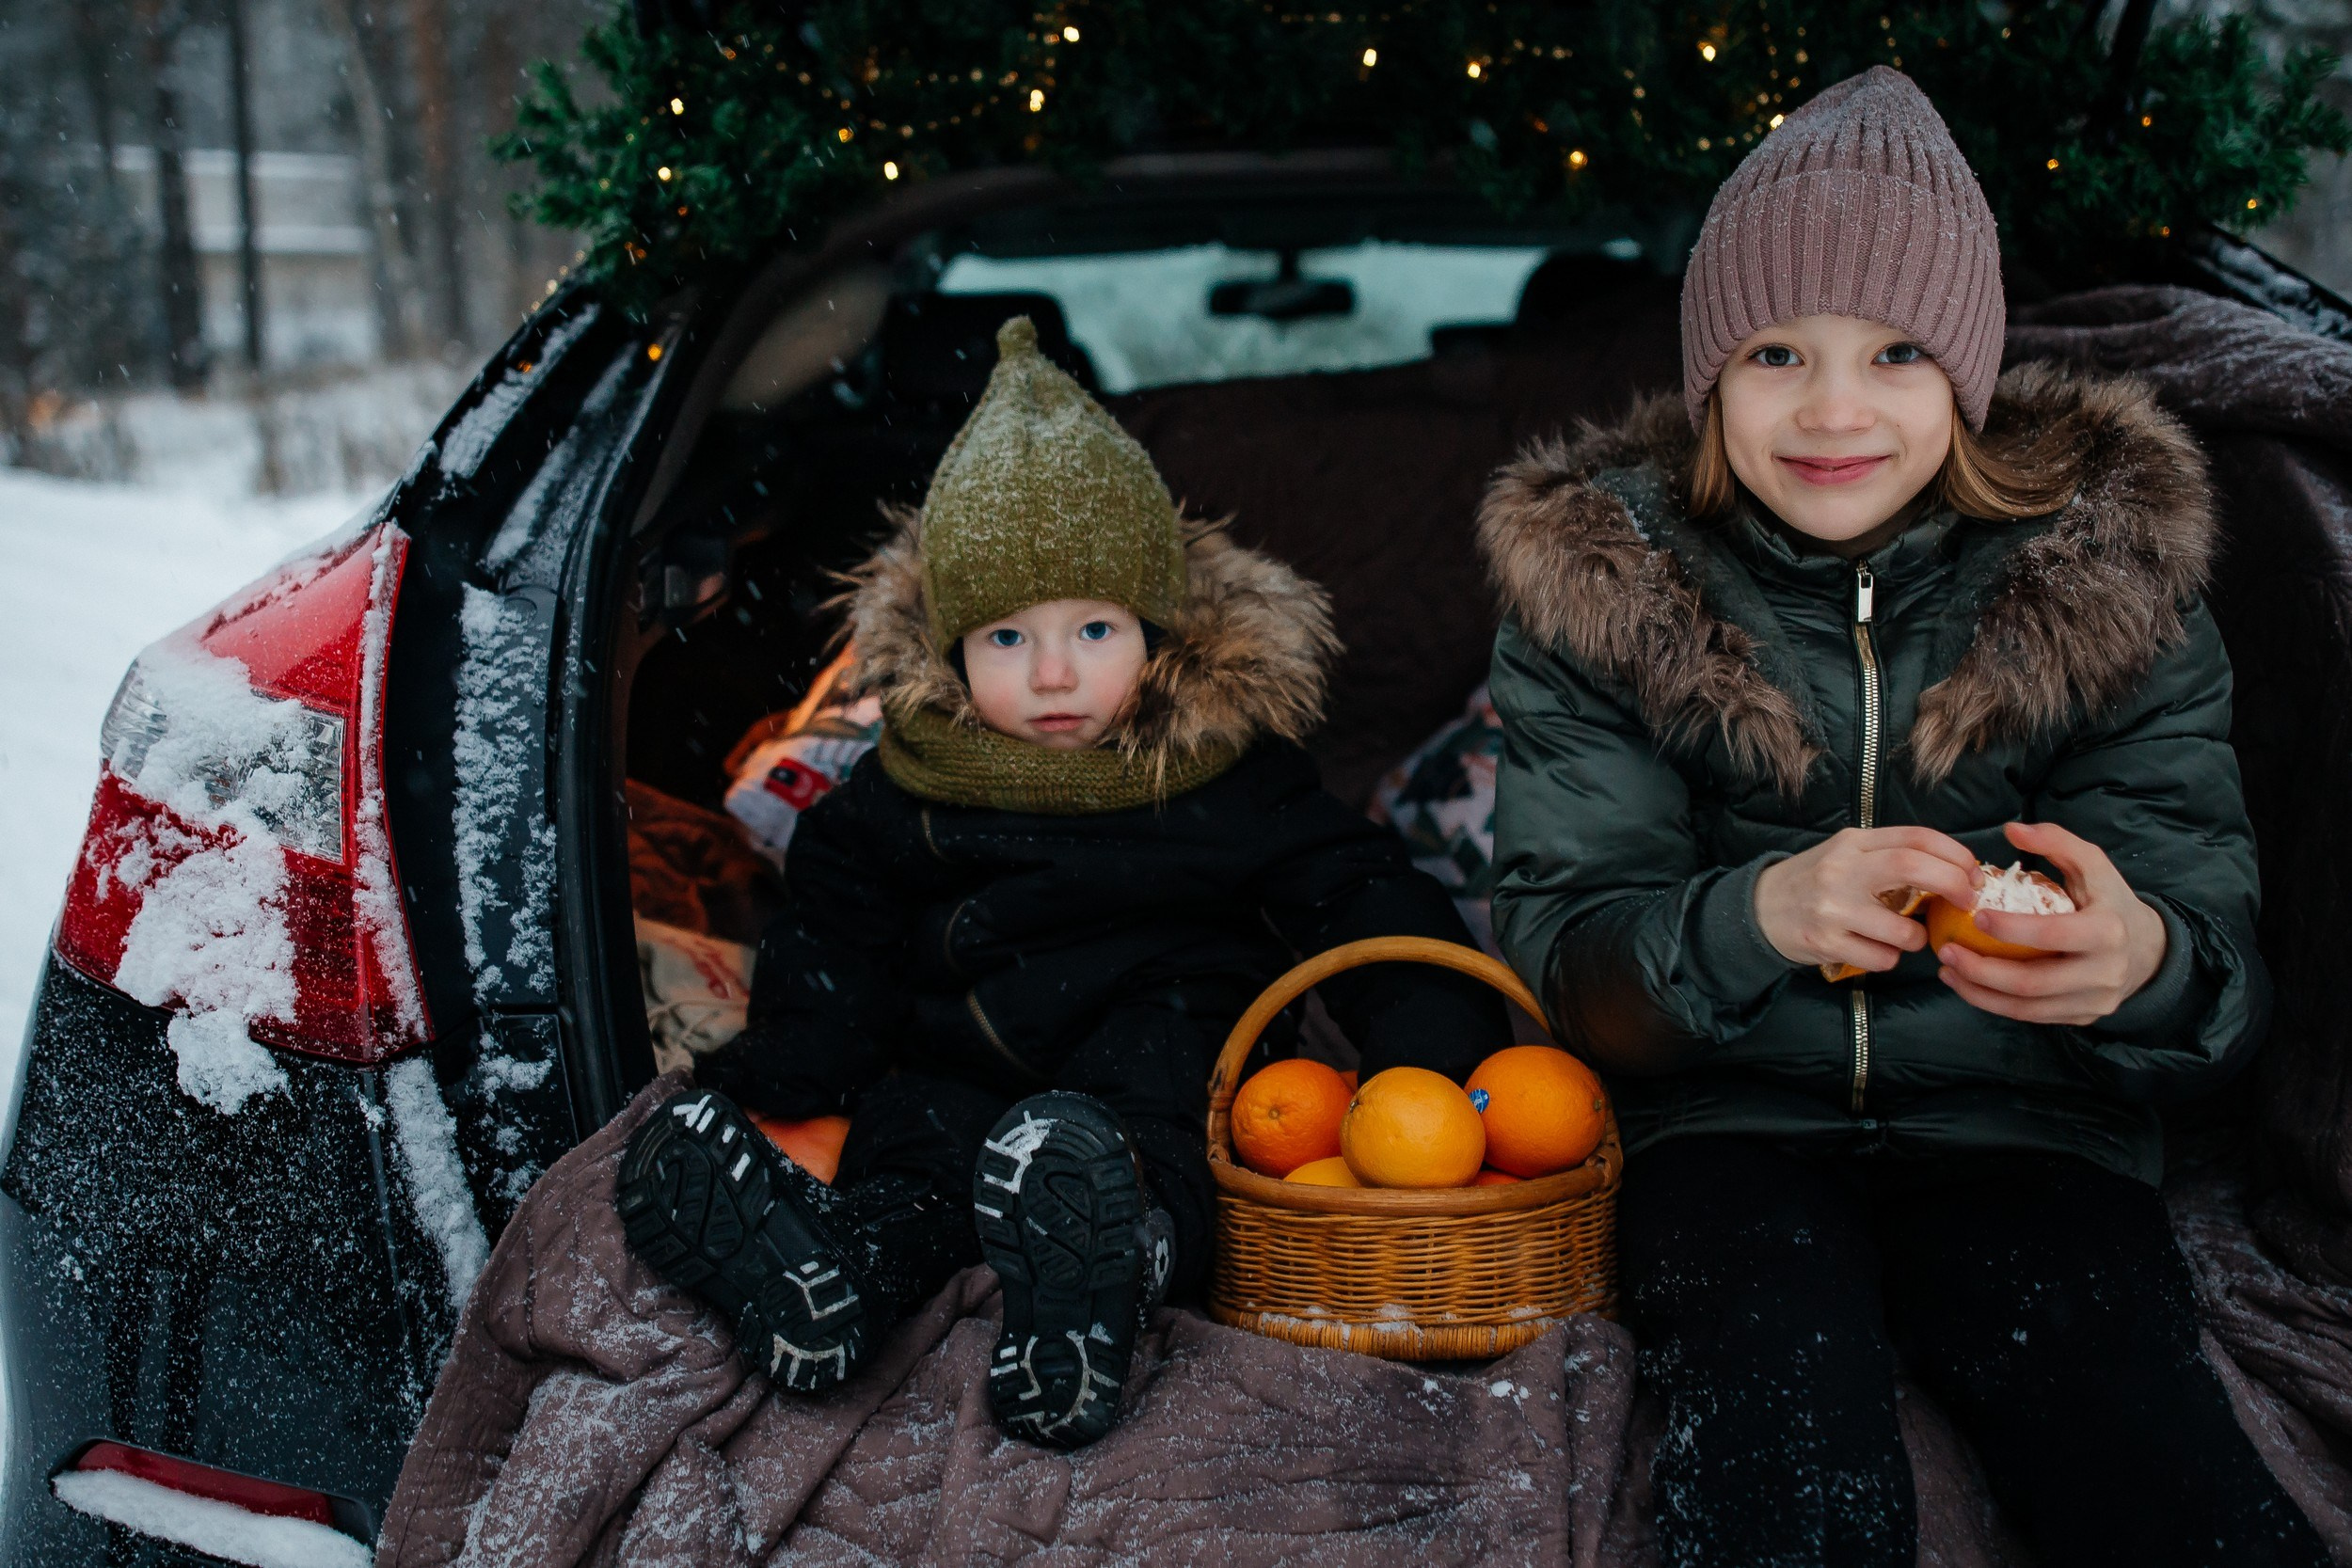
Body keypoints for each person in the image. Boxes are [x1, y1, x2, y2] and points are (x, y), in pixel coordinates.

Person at [1480, 67, 2326, 1568]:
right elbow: (1563, 966)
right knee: (1773, 1420)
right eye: (1775, 351)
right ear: (1708, 378)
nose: (1832, 408)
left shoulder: (2111, 589)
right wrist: (1756, 917)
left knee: (2125, 1417)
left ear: (1971, 376)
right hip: (1722, 1126)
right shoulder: (1605, 590)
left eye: (1898, 351)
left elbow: (2221, 968)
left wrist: (2142, 964)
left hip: (2033, 1124)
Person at [618, 316, 1509, 1449]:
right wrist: (789, 1064)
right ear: (948, 648)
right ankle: (839, 1277)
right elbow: (835, 935)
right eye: (1003, 638)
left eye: (1092, 628)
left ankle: (1111, 1273)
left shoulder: (1222, 769)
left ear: (1153, 626)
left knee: (1153, 1110)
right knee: (915, 1134)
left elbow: (1362, 892)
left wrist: (1438, 1052)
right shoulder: (906, 786)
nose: (1050, 674)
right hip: (966, 1058)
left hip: (1161, 1042)